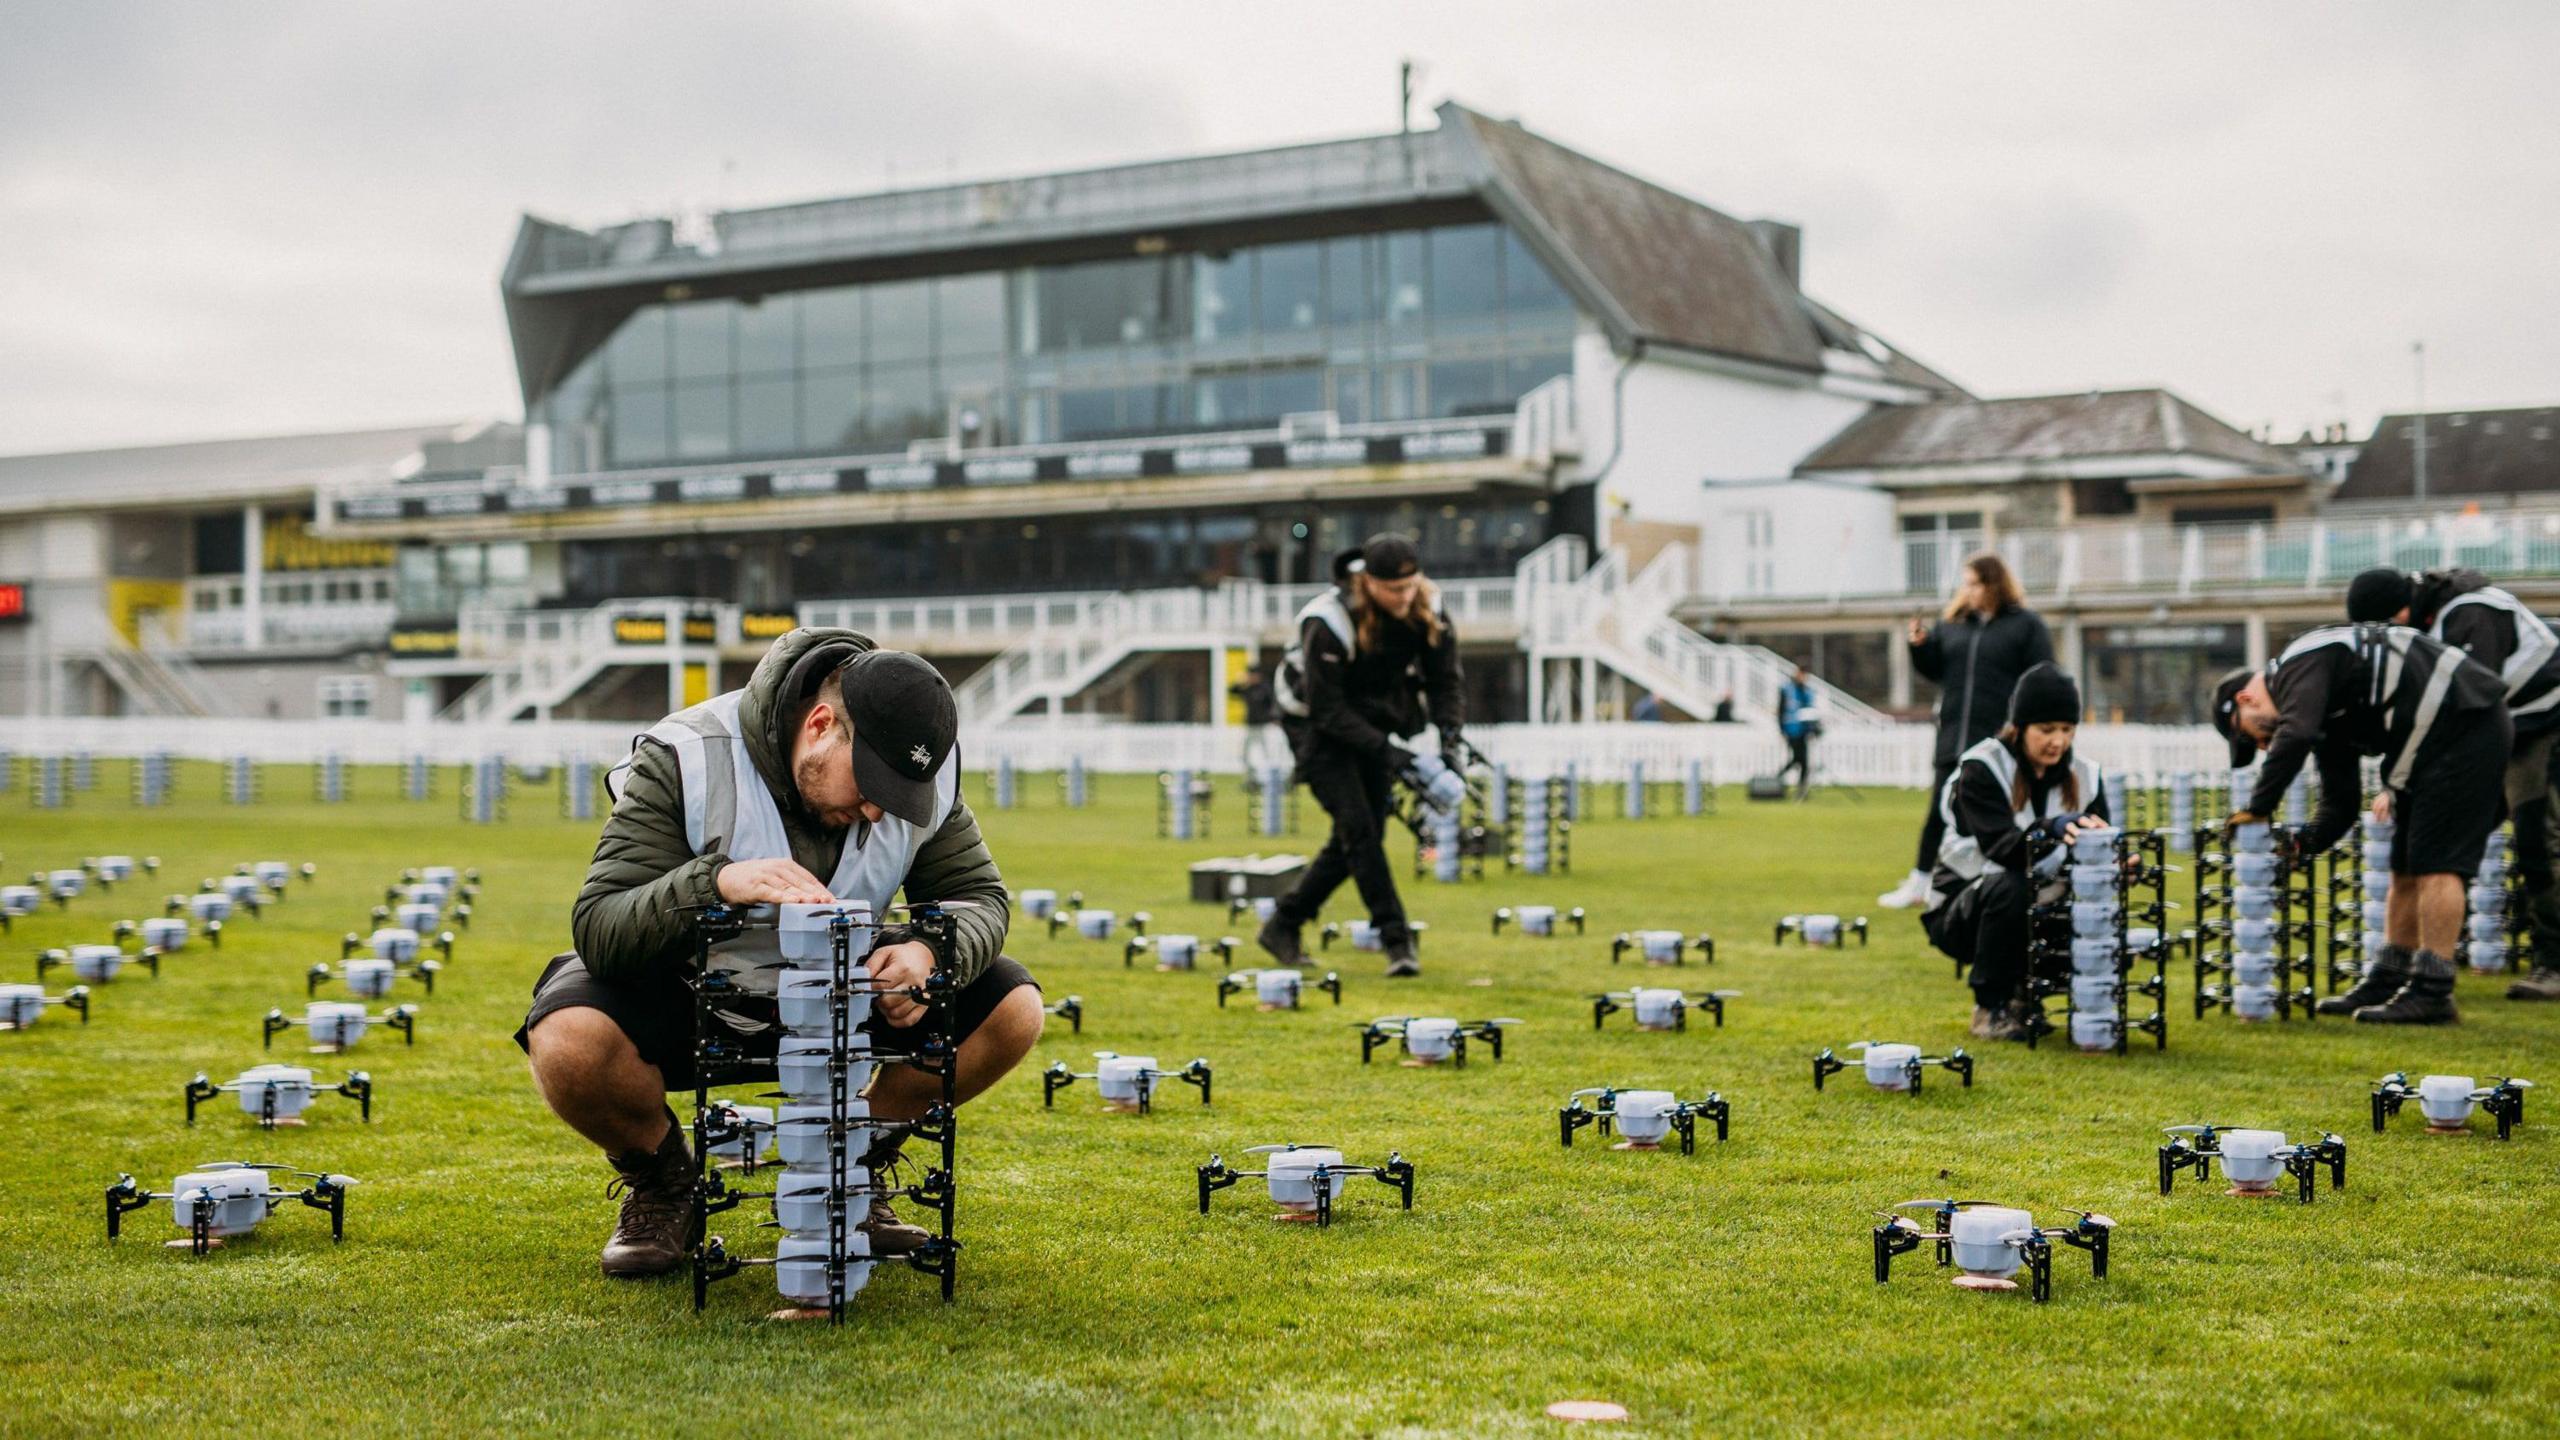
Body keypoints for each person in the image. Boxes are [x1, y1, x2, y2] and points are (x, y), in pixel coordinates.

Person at [515, 629, 1042, 1277]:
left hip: (844, 998)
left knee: (1011, 1007)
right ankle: (665, 1180)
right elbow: (601, 928)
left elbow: (977, 898)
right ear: (820, 725)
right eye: (870, 782)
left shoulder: (919, 765)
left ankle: (852, 1164)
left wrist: (928, 952)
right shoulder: (687, 754)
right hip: (695, 994)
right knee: (568, 1035)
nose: (881, 809)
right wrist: (717, 882)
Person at [2214, 622, 2510, 1024]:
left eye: (2250, 738)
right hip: (2437, 735)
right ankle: (2389, 978)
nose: (2263, 746)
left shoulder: (2302, 661)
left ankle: (2433, 992)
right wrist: (2302, 844)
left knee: (2436, 863)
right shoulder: (2321, 709)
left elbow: (2294, 734)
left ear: (2245, 697)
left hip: (2466, 720)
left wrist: (2260, 806)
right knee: (2403, 865)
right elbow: (2341, 804)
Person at [2347, 566, 2560, 1000]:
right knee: (2444, 842)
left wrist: (2402, 780)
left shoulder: (2471, 614)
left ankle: (2555, 965)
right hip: (2508, 728)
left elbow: (2464, 700)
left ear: (2402, 612)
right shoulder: (2442, 618)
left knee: (2538, 840)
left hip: (2546, 723)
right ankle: (2413, 960)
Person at [1262, 533, 1465, 978]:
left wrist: (1450, 741)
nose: (1404, 596)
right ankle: (1397, 941)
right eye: (1394, 589)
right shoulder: (1328, 621)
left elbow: (1444, 681)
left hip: (1373, 725)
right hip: (1316, 729)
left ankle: (1283, 923)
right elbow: (1327, 710)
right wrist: (1392, 754)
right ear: (1367, 582)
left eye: (1411, 585)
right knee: (1359, 830)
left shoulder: (1428, 608)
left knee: (1358, 836)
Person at [1920, 664, 2110, 1040]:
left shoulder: (2086, 775)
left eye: (2067, 730)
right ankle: (1991, 1007)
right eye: (2046, 730)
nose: (2058, 741)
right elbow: (2002, 851)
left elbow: (2095, 847)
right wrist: (2051, 828)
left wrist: (2118, 865)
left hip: (2035, 901)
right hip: (1962, 908)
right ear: (2020, 726)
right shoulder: (1982, 767)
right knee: (2012, 885)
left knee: (2091, 902)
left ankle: (2029, 998)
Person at [1882, 553, 2054, 910]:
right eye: (1966, 583)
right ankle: (1920, 882)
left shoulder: (2026, 626)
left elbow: (2042, 675)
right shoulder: (1952, 625)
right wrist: (1920, 648)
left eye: (1975, 583)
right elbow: (1936, 671)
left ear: (1994, 584)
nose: (1969, 590)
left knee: (2007, 812)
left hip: (2000, 740)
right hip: (1954, 735)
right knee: (1938, 812)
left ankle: (2018, 880)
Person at [1776, 665, 1820, 800]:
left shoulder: (1806, 691)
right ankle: (1777, 779)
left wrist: (1814, 727)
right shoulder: (1787, 689)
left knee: (1803, 761)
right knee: (1798, 759)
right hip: (1791, 729)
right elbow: (1781, 710)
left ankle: (1801, 790)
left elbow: (1809, 710)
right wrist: (1781, 729)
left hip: (1803, 730)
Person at [1229, 663, 1279, 777]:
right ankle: (1252, 776)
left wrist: (1274, 718)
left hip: (1264, 726)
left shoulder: (1265, 688)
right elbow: (1232, 691)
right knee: (1245, 754)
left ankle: (1270, 776)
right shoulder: (1247, 688)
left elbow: (1273, 703)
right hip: (1250, 726)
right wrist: (1241, 681)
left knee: (1267, 753)